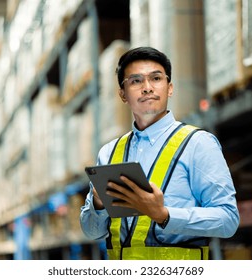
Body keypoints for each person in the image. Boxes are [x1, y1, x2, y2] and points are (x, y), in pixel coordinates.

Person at [80, 46, 239, 260]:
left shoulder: (198, 144)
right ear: (122, 94)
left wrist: (164, 215)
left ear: (169, 87)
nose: (147, 88)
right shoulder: (109, 153)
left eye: (156, 78)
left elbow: (228, 220)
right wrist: (98, 204)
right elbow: (92, 232)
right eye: (136, 81)